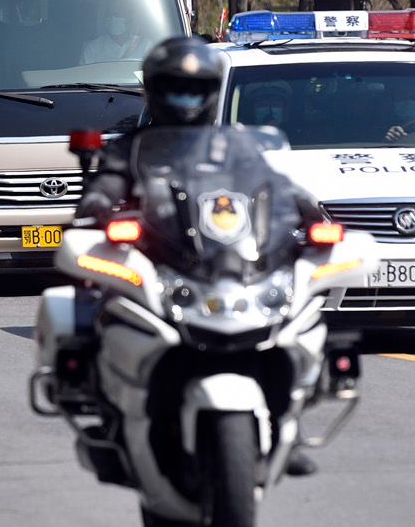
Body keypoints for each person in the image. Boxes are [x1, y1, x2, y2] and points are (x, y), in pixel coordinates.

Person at [73, 36, 322, 476]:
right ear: (153, 89)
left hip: (229, 266)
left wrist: (310, 213)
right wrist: (98, 205)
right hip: (158, 265)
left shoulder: (236, 146)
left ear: (211, 91)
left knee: (290, 326)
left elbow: (279, 187)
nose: (185, 100)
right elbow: (105, 186)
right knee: (95, 314)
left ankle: (287, 426)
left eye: (194, 89)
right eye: (174, 88)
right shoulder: (129, 149)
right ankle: (104, 413)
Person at [81, 0, 152, 64]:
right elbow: (83, 75)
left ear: (130, 17)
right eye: (110, 15)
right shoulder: (94, 48)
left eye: (117, 14)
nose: (113, 18)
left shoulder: (147, 46)